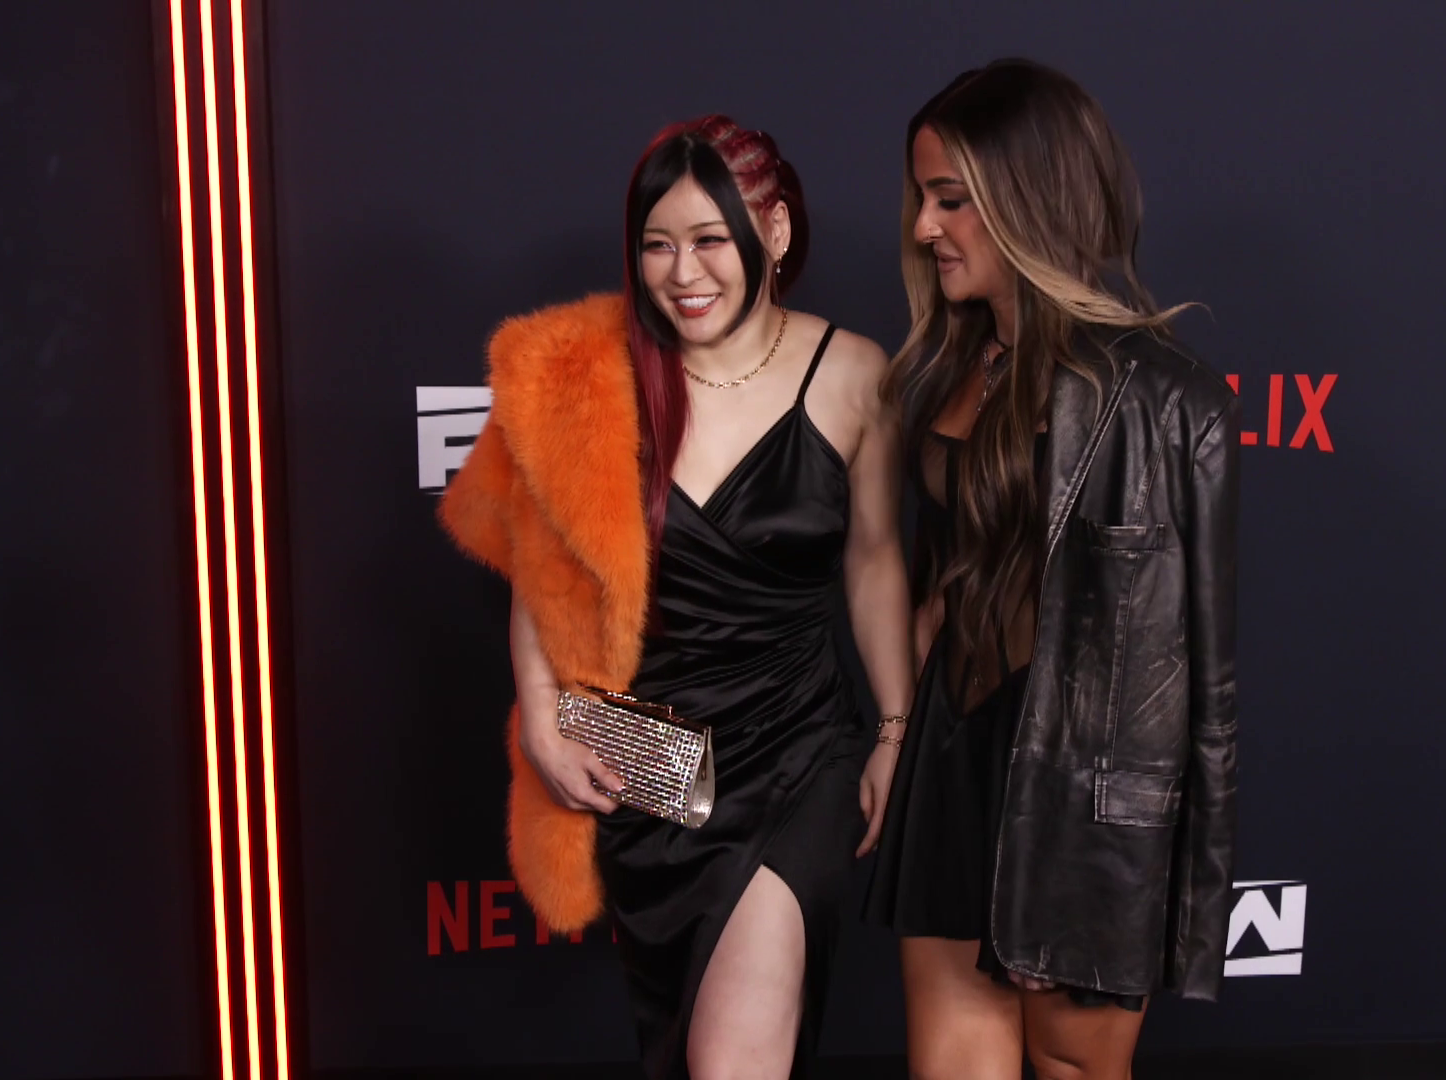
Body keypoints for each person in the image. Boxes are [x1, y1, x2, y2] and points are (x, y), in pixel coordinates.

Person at [439, 115, 913, 1080]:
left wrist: (896, 728)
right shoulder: (585, 376)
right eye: (657, 245)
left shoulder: (855, 375)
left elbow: (874, 561)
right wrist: (542, 716)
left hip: (798, 754)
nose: (682, 272)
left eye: (708, 239)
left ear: (773, 231)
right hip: (653, 767)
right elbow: (543, 568)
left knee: (735, 1060)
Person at [863, 59, 1242, 1080]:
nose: (924, 228)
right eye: (923, 199)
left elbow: (1204, 686)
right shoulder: (950, 368)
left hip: (1079, 788)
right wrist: (899, 733)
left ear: (1028, 198)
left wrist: (1184, 885)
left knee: (1073, 1069)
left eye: (951, 200)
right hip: (954, 756)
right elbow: (941, 581)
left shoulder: (1168, 403)